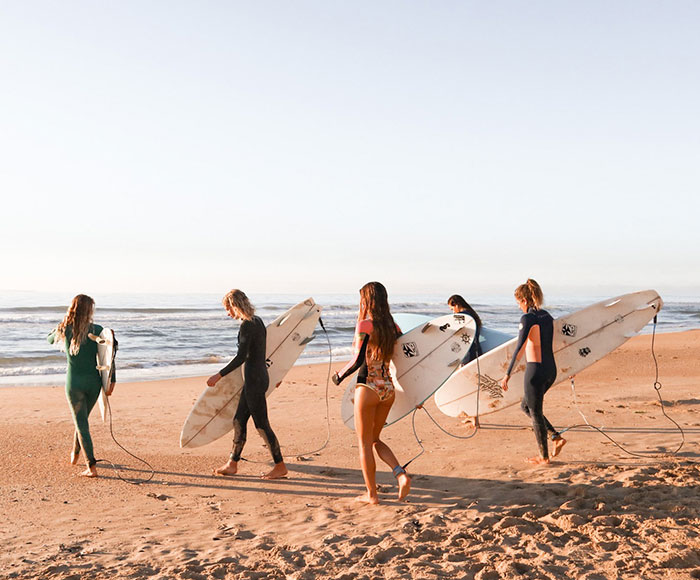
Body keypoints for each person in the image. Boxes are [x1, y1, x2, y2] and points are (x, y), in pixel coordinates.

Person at [332, 282, 411, 505]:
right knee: (375, 440)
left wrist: (338, 376)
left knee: (364, 444)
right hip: (387, 388)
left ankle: (371, 495)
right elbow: (404, 358)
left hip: (367, 388)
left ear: (366, 300)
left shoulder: (365, 324)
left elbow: (357, 361)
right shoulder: (392, 327)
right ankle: (400, 474)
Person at [207, 289, 287, 480]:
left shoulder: (247, 326)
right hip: (259, 377)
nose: (228, 314)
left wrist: (219, 375)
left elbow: (241, 357)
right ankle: (232, 464)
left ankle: (280, 465)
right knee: (238, 420)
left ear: (235, 306)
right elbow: (263, 352)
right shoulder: (258, 321)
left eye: (228, 309)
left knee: (262, 425)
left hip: (254, 380)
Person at [48, 294, 116, 478]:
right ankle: (75, 454)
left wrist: (59, 327)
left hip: (75, 383)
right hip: (94, 383)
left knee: (81, 423)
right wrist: (112, 380)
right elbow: (109, 356)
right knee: (82, 420)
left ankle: (91, 466)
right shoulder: (98, 330)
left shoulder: (65, 328)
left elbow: (49, 340)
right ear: (89, 310)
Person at [501, 279, 566, 464]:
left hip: (535, 372)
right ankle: (555, 437)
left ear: (524, 300)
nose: (518, 307)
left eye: (518, 303)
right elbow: (559, 342)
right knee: (526, 406)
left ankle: (544, 457)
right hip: (550, 370)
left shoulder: (528, 319)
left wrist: (507, 374)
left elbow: (519, 348)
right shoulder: (547, 316)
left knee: (535, 412)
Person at [447, 294, 483, 365]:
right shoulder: (472, 314)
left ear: (457, 305)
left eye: (452, 309)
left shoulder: (462, 316)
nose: (453, 312)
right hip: (476, 351)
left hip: (467, 352)